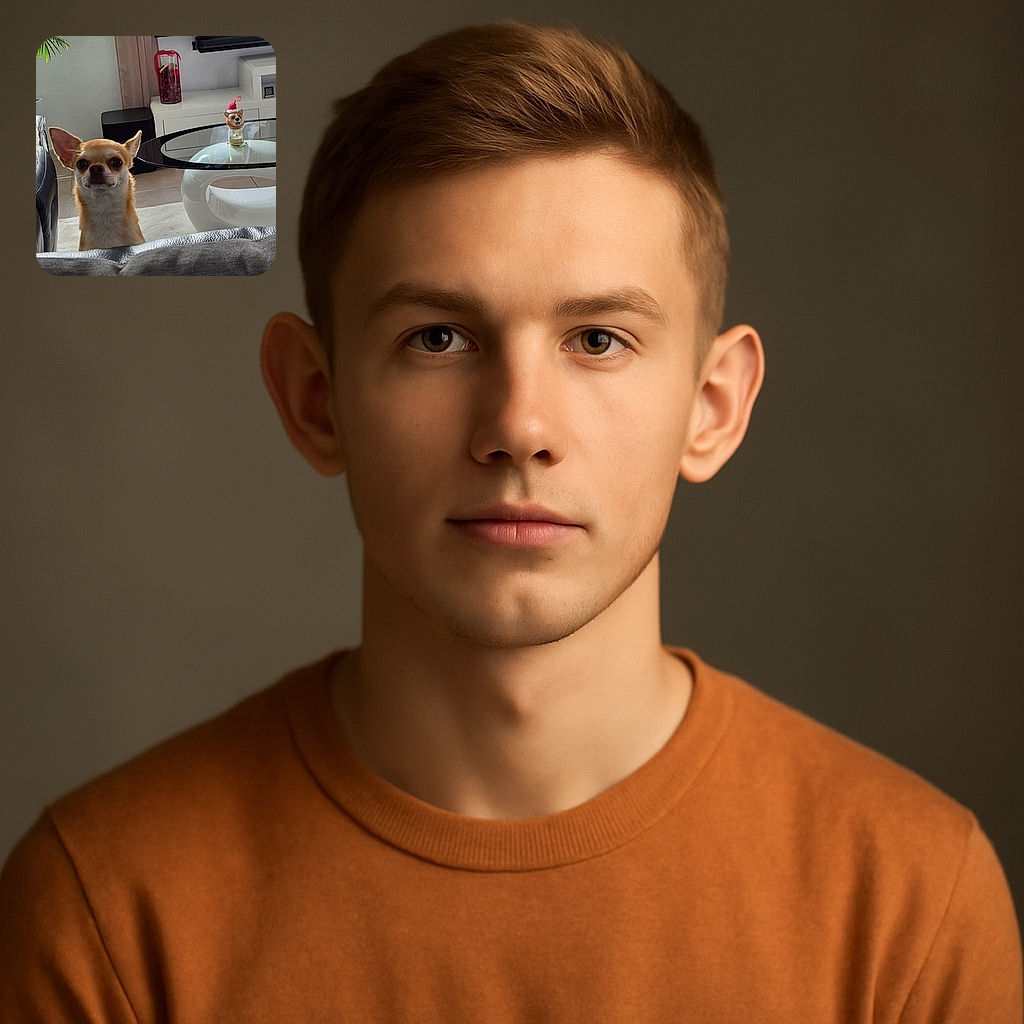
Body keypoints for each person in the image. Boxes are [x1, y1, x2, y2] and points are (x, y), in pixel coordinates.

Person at [1, 21, 1020, 1022]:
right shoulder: (107, 912)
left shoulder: (911, 903)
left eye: (598, 338)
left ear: (711, 408)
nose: (519, 426)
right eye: (438, 336)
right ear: (316, 399)